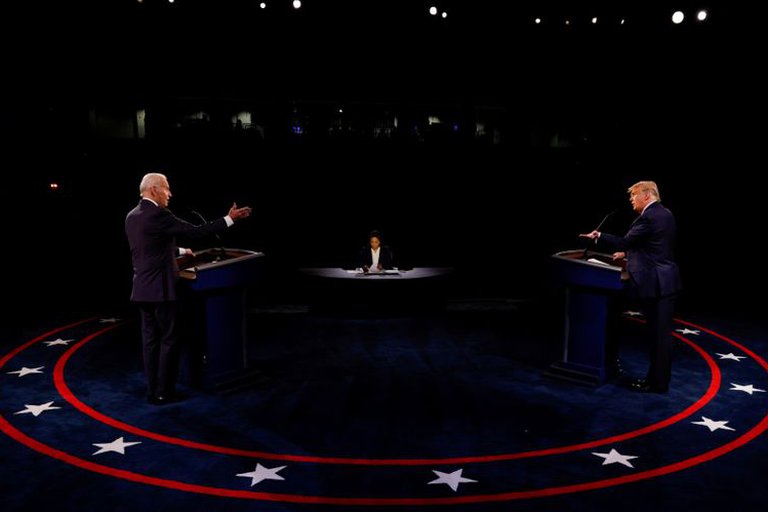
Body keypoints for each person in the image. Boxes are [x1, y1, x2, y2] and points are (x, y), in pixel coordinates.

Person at [125, 172, 252, 405]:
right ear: (154, 189)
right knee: (169, 339)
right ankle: (164, 392)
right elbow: (196, 231)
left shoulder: (132, 216)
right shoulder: (160, 214)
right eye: (166, 188)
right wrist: (230, 218)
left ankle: (153, 389)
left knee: (150, 342)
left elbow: (149, 249)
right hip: (161, 290)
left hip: (141, 290)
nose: (169, 194)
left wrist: (182, 252)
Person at [580, 180, 681, 393]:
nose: (631, 200)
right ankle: (657, 381)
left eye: (633, 196)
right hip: (665, 281)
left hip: (657, 284)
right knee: (659, 336)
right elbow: (654, 246)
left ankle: (657, 383)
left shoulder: (648, 217)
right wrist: (628, 255)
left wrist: (600, 236)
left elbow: (625, 241)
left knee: (658, 338)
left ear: (646, 195)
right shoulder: (666, 214)